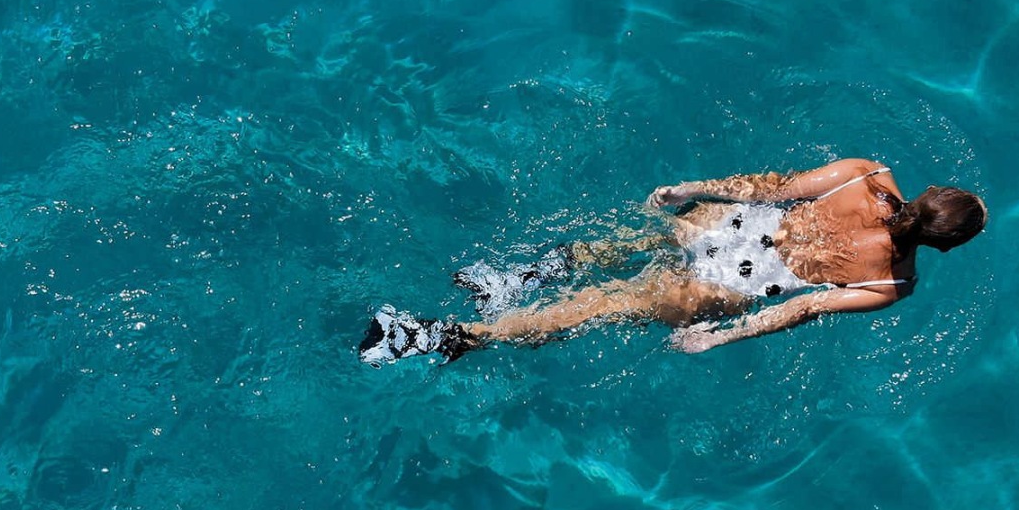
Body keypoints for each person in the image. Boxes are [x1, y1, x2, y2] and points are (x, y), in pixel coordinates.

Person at [357, 158, 986, 364]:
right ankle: (447, 337)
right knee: (602, 306)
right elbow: (802, 309)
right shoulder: (891, 282)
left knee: (628, 243)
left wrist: (693, 189)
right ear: (943, 245)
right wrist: (718, 337)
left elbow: (771, 187)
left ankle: (514, 279)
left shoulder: (867, 174)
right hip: (740, 286)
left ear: (930, 193)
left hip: (737, 225)